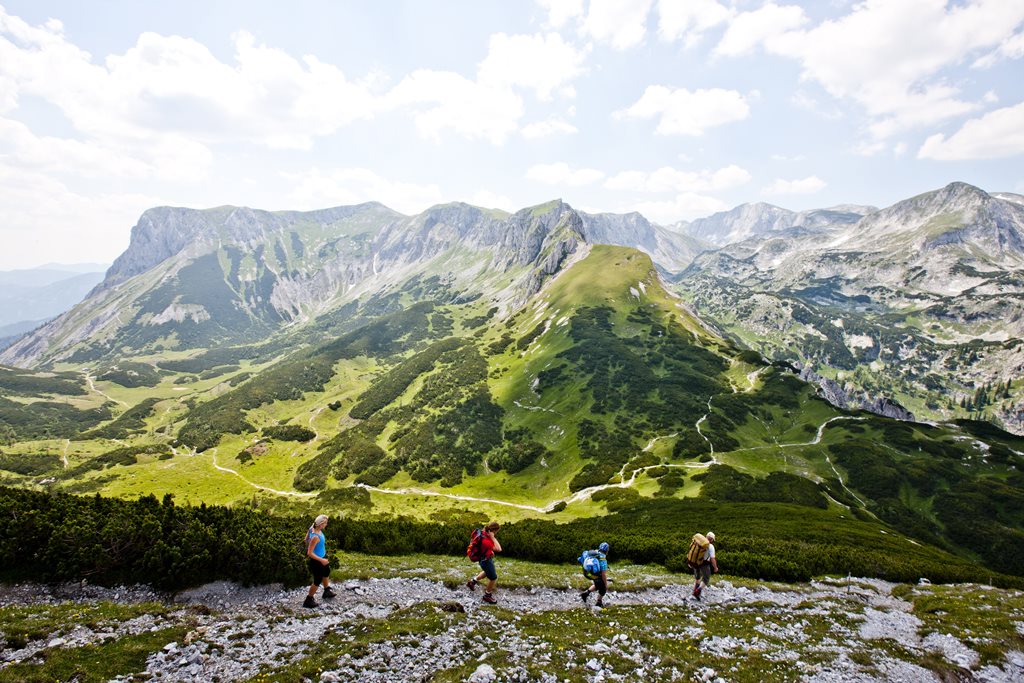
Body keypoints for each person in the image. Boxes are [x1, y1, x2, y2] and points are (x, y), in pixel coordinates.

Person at [303, 514, 336, 608]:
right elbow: (309, 553)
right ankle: (308, 600)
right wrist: (321, 560)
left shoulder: (312, 528)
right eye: (325, 523)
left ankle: (327, 591)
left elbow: (305, 539)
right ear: (320, 524)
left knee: (326, 572)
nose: (326, 525)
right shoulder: (316, 537)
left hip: (322, 557)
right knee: (317, 580)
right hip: (317, 561)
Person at [466, 521, 502, 604]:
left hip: (482, 559)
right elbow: (499, 549)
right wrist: (493, 537)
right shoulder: (487, 540)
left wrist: (489, 551)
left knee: (486, 572)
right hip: (486, 561)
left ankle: (472, 582)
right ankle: (487, 595)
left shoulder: (482, 533)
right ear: (493, 531)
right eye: (496, 532)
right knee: (493, 578)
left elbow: (483, 547)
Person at [580, 541, 610, 608]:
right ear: (607, 551)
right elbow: (603, 574)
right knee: (603, 588)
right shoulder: (603, 560)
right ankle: (599, 603)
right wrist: (605, 584)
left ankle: (585, 594)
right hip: (594, 575)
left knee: (598, 583)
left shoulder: (595, 552)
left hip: (587, 572)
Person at [692, 531, 718, 601]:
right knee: (706, 578)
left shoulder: (698, 542)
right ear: (712, 540)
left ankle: (695, 590)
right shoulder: (710, 546)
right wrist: (715, 567)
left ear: (706, 537)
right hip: (704, 564)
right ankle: (697, 592)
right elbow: (712, 558)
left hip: (695, 562)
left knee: (697, 577)